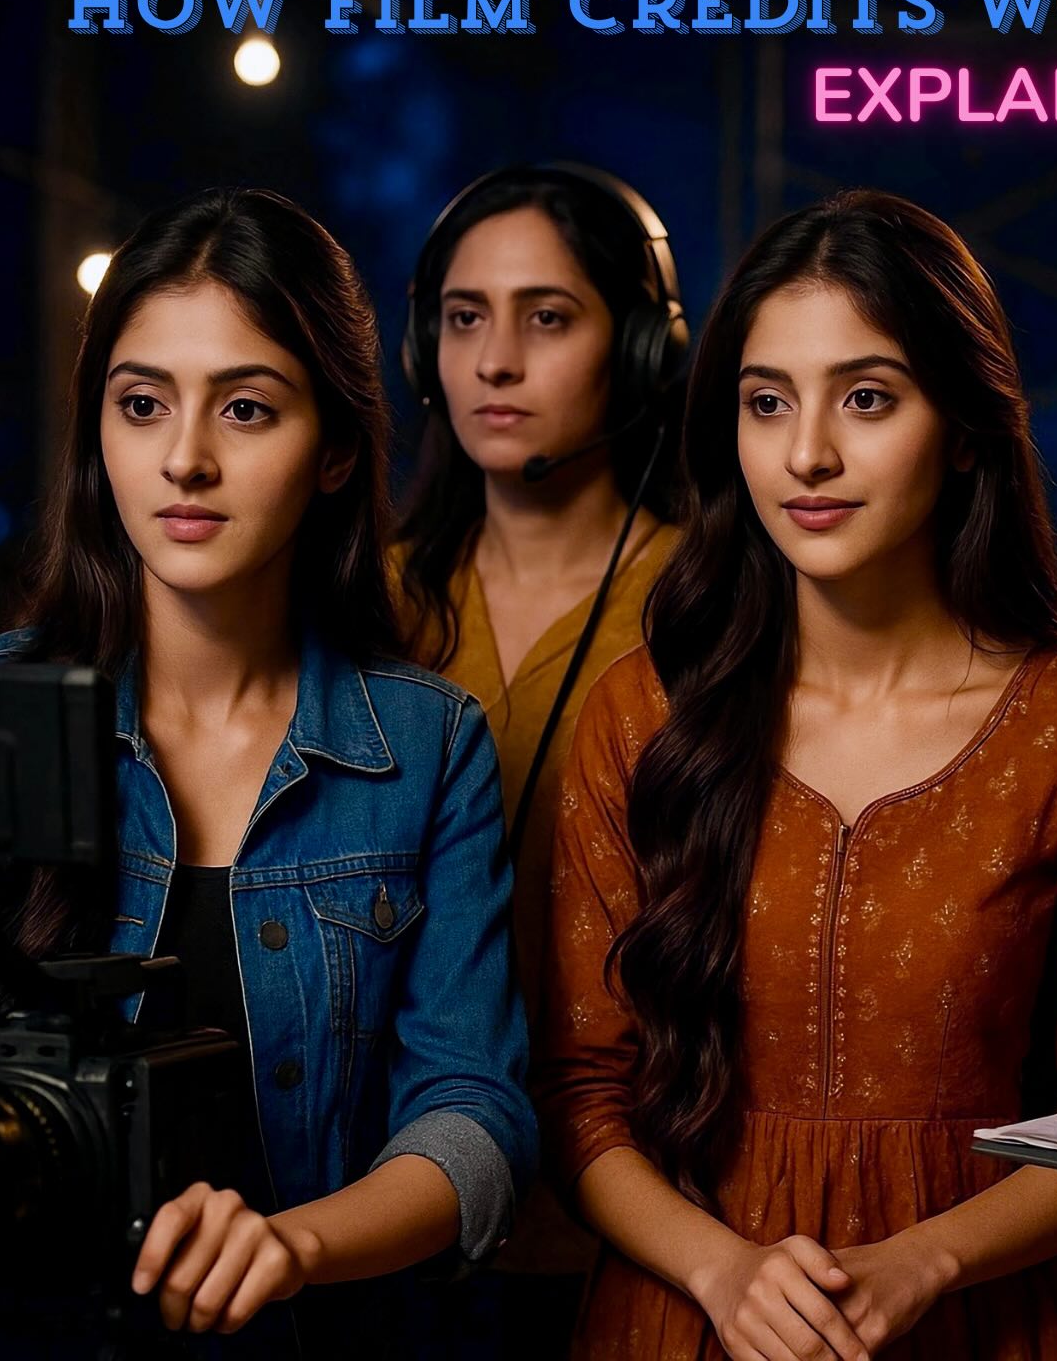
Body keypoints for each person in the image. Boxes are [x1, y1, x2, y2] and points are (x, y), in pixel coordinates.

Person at [0, 187, 535, 1357]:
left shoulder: (429, 747)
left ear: (335, 451)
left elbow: (474, 1114)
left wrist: (292, 1247)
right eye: (141, 405)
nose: (184, 460)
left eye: (245, 409)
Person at [539, 189, 1057, 1360]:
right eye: (766, 402)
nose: (807, 454)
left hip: (972, 1322)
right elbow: (582, 1094)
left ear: (965, 424)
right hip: (682, 1321)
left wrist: (923, 1261)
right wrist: (722, 1272)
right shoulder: (641, 715)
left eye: (866, 397)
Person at [392, 164, 687, 1351]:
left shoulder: (714, 606)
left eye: (547, 318)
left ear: (641, 351)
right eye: (464, 318)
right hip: (400, 1200)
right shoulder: (366, 607)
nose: (495, 362)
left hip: (655, 1200)